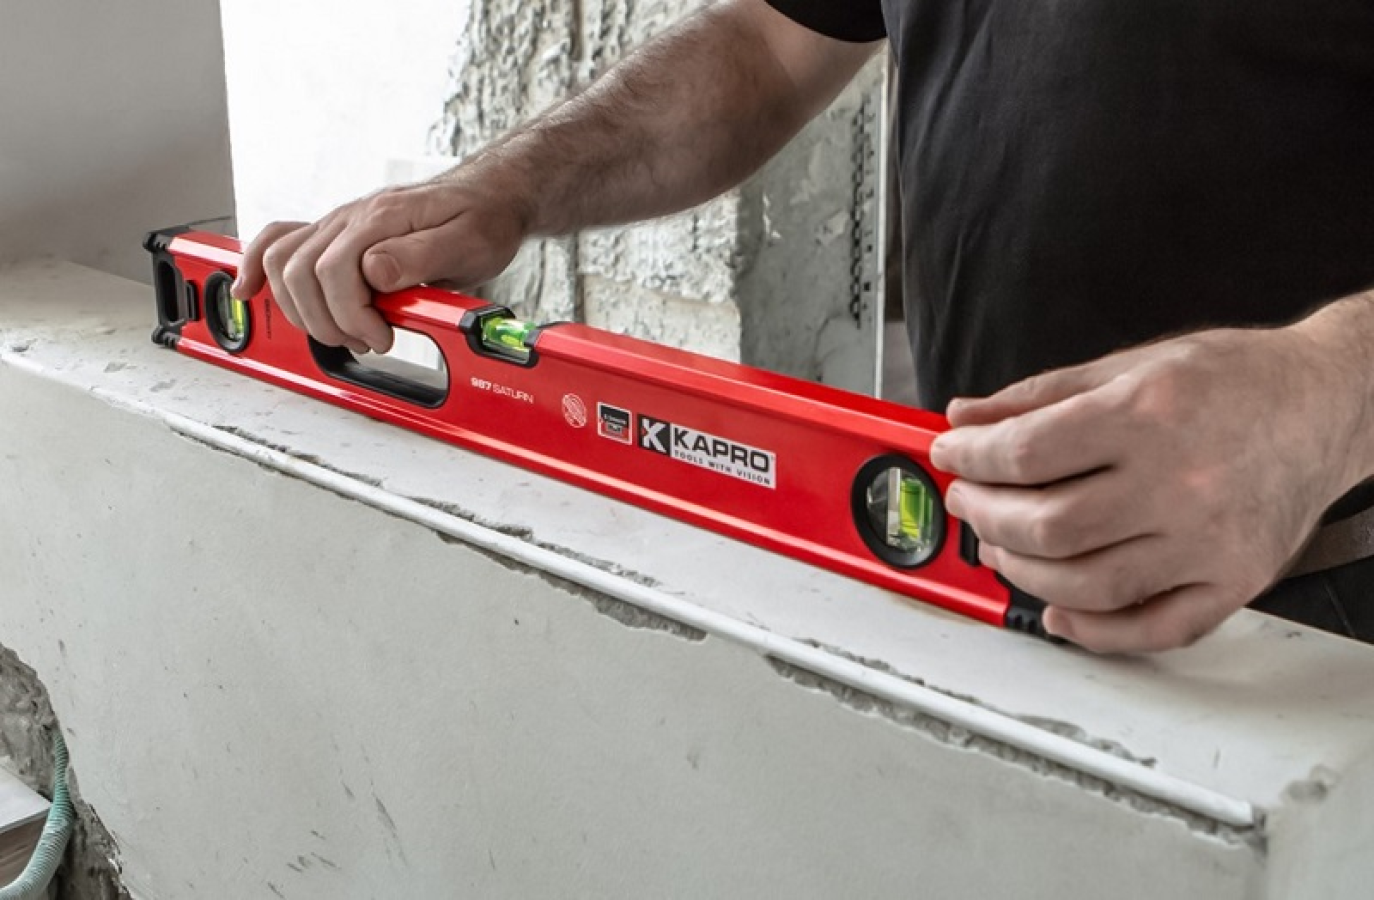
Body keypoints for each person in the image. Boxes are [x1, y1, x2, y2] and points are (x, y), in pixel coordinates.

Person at [232, 0, 1374, 653]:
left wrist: (1326, 393)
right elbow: (771, 43)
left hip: (1319, 588)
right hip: (975, 548)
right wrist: (513, 181)